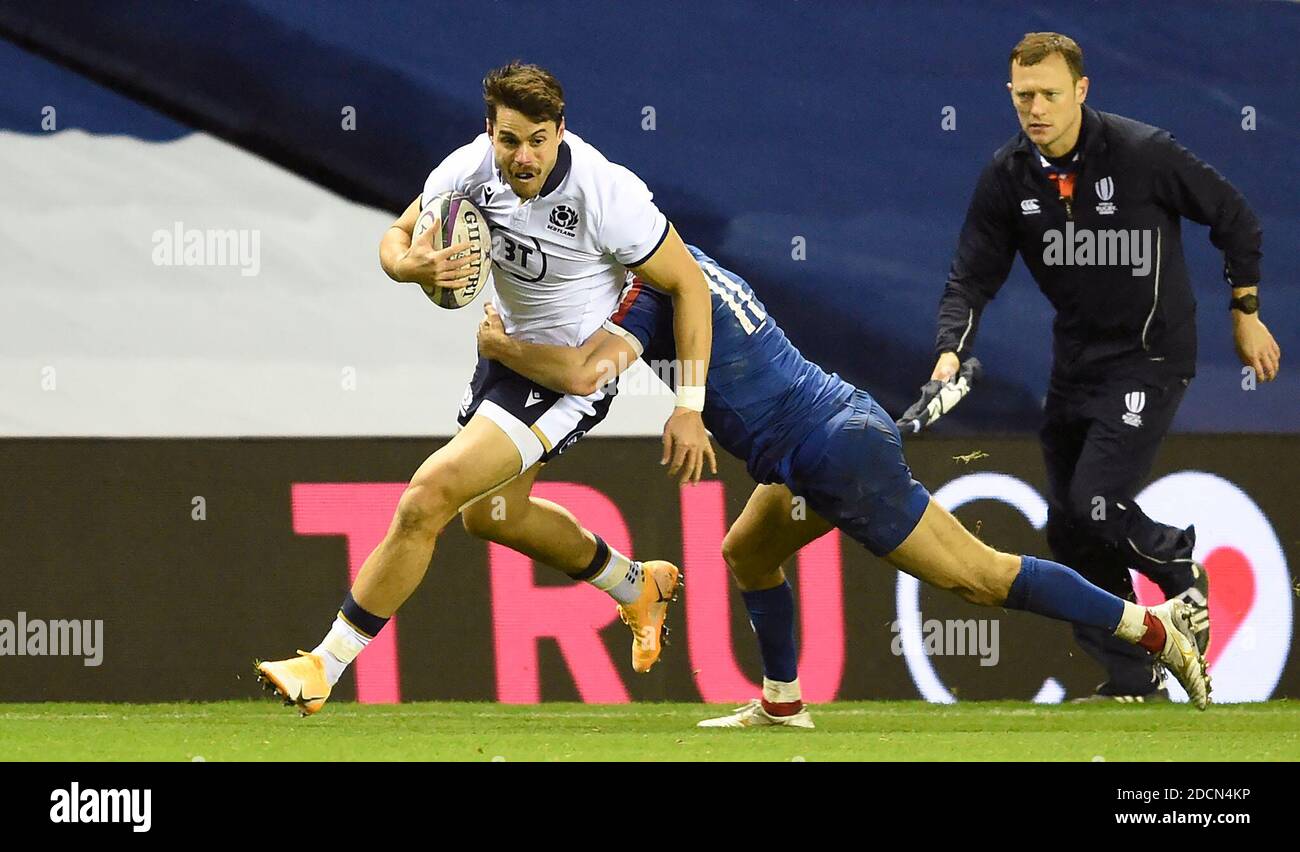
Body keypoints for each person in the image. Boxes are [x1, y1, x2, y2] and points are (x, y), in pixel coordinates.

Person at [476, 244, 1210, 725]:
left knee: (981, 579)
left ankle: (1155, 628)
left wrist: (500, 345)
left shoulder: (646, 292)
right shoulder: (680, 261)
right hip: (821, 437)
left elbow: (584, 372)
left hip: (832, 450)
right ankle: (782, 701)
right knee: (747, 552)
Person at [256, 62, 715, 715]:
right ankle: (636, 585)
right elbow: (394, 238)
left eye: (536, 139)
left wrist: (688, 405)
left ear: (560, 132)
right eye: (508, 140)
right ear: (489, 133)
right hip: (503, 359)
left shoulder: (605, 194)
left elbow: (689, 284)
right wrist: (409, 265)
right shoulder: (467, 171)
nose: (522, 156)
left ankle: (323, 665)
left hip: (567, 375)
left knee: (428, 498)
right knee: (491, 514)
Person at [929, 32, 1280, 701]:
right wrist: (951, 349)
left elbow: (1235, 217)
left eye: (1050, 94)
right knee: (1067, 525)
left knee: (1094, 503)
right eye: (1023, 95)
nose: (1036, 108)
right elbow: (970, 279)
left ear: (1081, 91)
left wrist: (1246, 308)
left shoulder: (1143, 153)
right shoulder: (1008, 176)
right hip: (1076, 363)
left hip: (1151, 355)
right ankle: (1131, 675)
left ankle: (1176, 563)